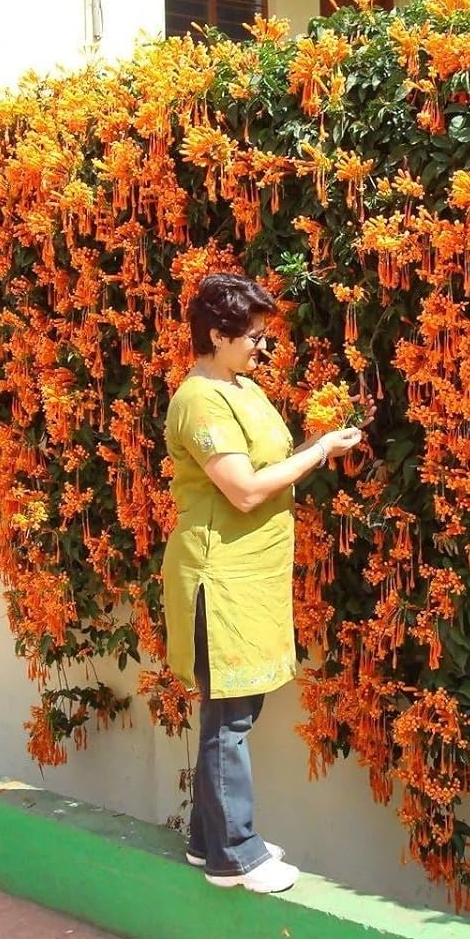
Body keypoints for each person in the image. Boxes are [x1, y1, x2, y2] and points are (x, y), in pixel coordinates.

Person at [161, 272, 364, 893]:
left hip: (252, 574)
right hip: (218, 577)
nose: (263, 347)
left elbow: (268, 463)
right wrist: (320, 452)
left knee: (236, 709)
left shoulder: (242, 388)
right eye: (253, 337)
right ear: (216, 336)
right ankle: (236, 856)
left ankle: (206, 841)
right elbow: (245, 489)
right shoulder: (200, 401)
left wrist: (318, 443)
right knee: (229, 718)